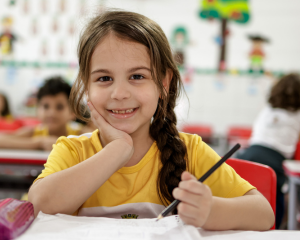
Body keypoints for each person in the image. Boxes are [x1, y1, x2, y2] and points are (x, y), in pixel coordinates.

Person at [28, 10, 274, 230]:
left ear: (163, 84)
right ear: (86, 86)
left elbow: (264, 214)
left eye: (137, 76)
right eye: (104, 78)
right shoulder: (73, 152)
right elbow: (39, 205)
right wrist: (118, 149)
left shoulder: (191, 152)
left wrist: (210, 210)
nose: (120, 93)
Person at [238, 73, 300, 229]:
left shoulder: (267, 110)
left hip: (248, 155)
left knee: (244, 195)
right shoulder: (297, 114)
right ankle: (276, 229)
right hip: (273, 161)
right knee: (273, 203)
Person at [0, 76, 81, 151]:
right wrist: (38, 143)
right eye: (45, 106)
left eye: (59, 107)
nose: (51, 113)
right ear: (37, 110)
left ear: (73, 112)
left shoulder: (80, 134)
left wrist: (64, 144)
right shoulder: (34, 133)